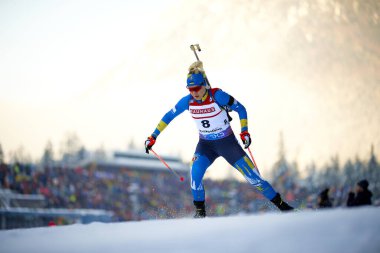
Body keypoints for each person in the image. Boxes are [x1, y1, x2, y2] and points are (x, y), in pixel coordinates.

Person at [145, 61, 293, 218]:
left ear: (204, 85)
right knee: (195, 175)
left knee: (254, 179)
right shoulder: (187, 101)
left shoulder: (218, 96)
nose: (193, 93)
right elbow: (169, 116)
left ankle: (283, 207)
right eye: (190, 89)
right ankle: (200, 214)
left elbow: (241, 109)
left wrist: (244, 132)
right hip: (205, 146)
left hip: (227, 144)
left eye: (196, 88)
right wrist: (153, 136)